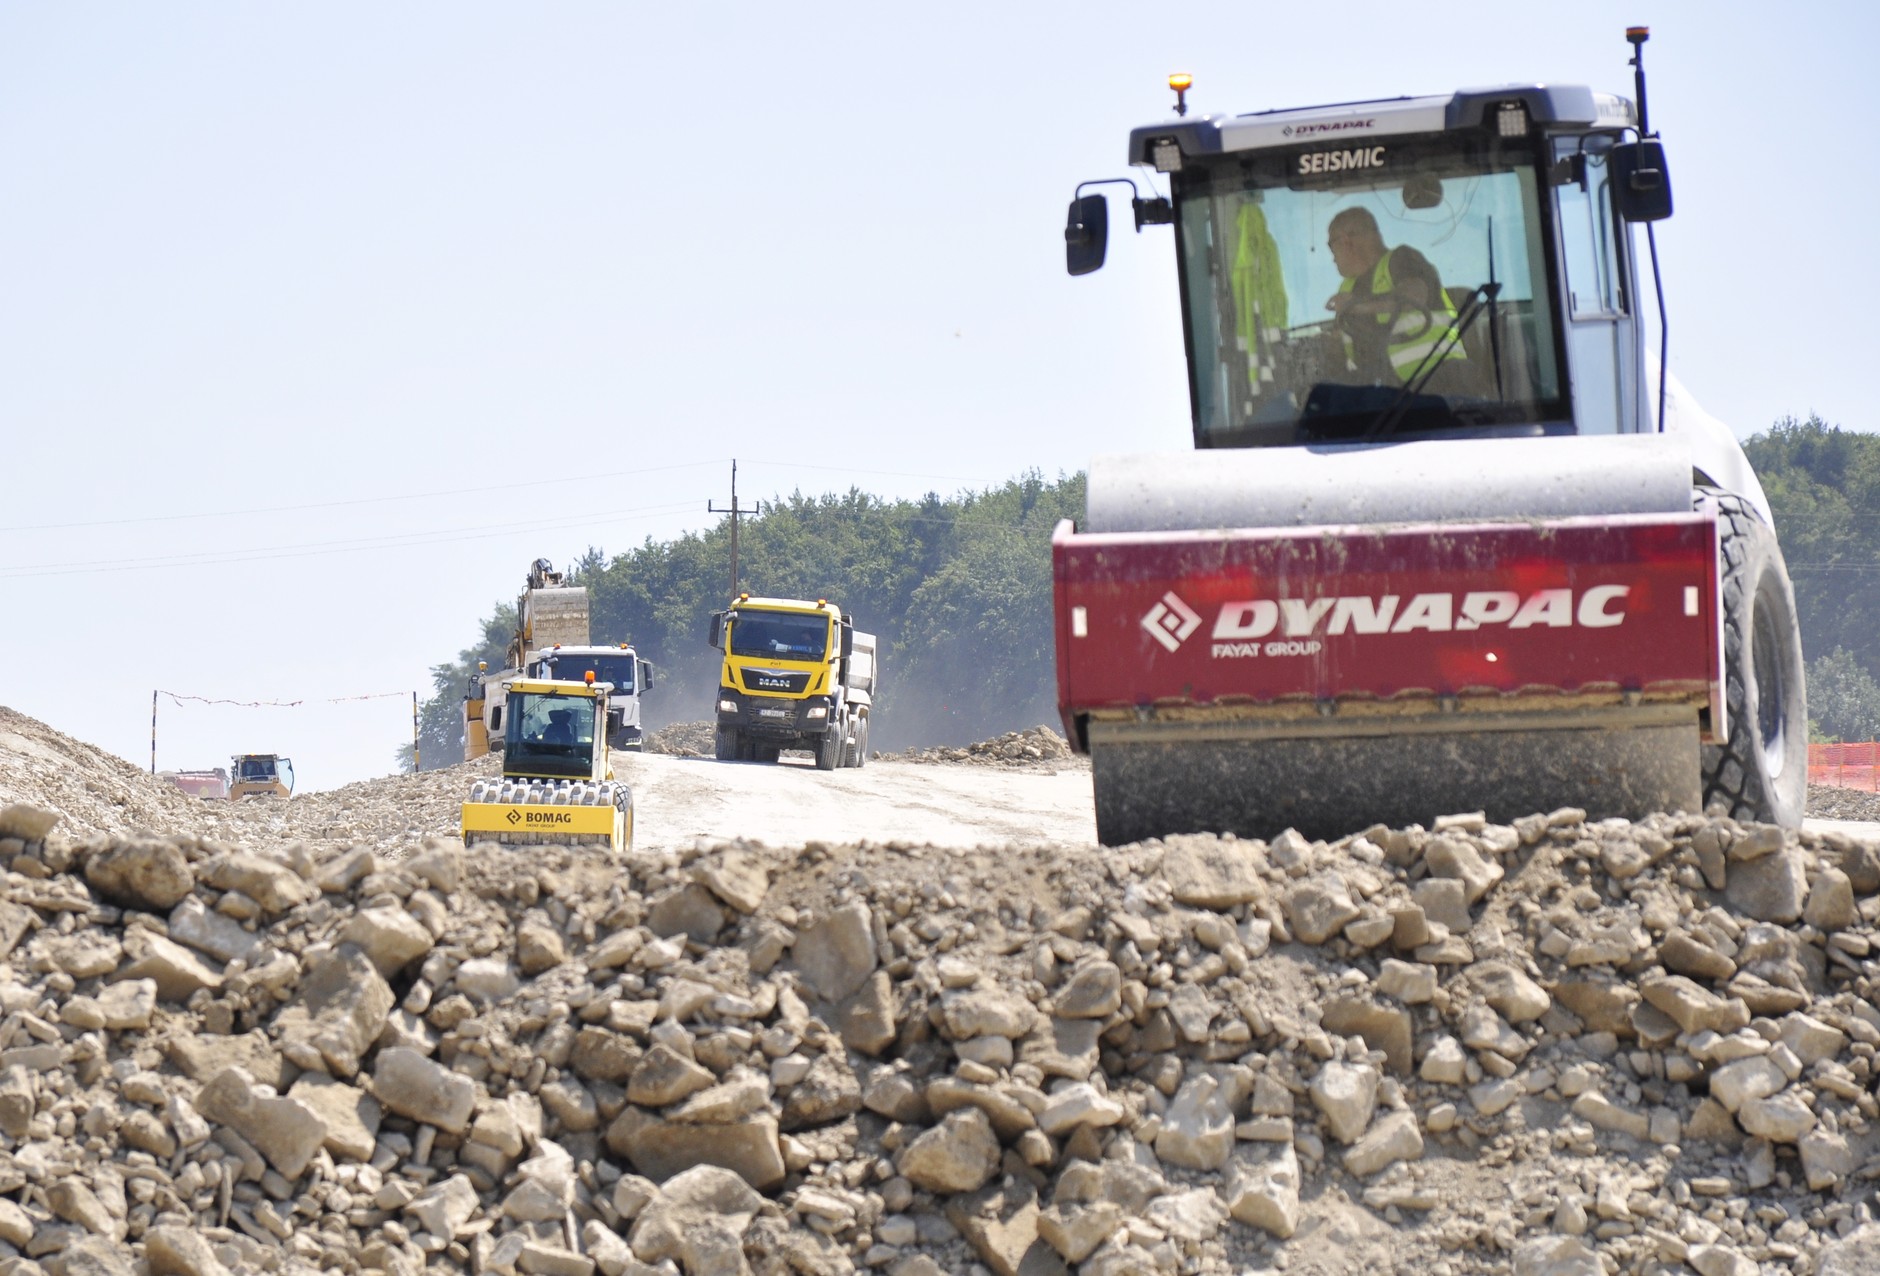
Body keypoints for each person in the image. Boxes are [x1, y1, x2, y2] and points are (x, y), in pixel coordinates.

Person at [1323, 207, 1466, 385]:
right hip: (1385, 401)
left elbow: (1414, 296)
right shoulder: (1347, 288)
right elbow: (1341, 344)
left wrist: (1358, 306)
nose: (1333, 258)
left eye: (1331, 245)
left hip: (1440, 383)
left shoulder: (1403, 258)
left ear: (1346, 241)